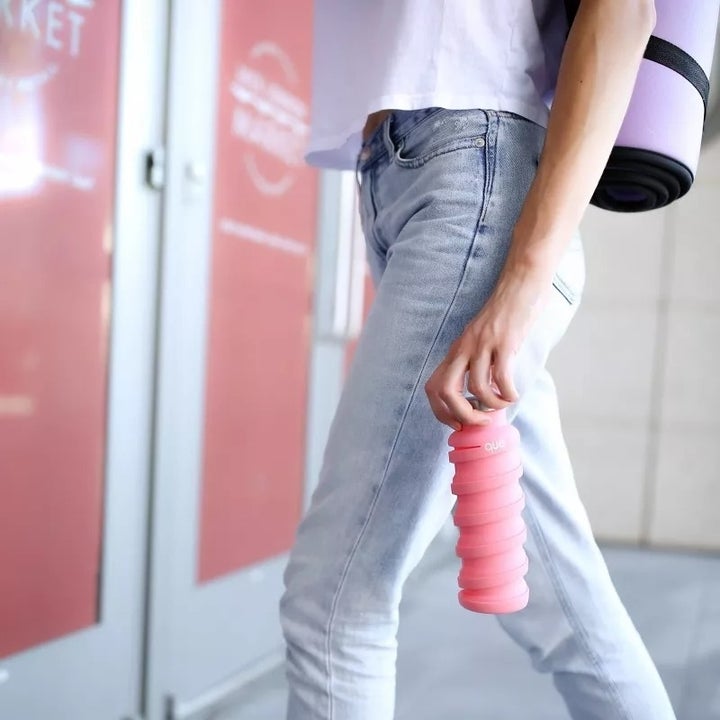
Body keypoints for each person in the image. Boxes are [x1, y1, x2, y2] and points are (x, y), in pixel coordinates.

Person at [280, 1, 676, 718]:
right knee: (563, 611)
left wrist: (518, 284)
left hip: (473, 187)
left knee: (336, 598)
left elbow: (623, 12)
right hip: (414, 181)